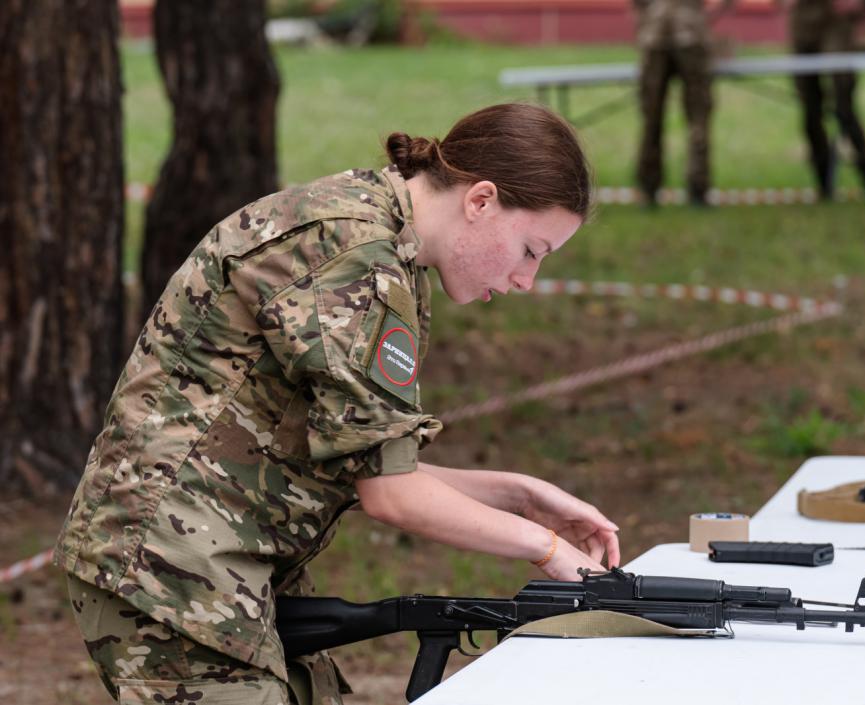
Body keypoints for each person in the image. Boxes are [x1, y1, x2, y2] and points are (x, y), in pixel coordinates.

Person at [54, 103, 621, 705]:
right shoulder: (358, 261)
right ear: (480, 200)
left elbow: (362, 462)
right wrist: (548, 550)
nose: (524, 281)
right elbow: (392, 495)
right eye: (531, 251)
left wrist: (519, 495)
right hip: (172, 571)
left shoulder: (380, 241)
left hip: (215, 559)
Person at [632, 0, 733, 207]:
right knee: (695, 118)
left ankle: (650, 189)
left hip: (657, 34)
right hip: (689, 33)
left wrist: (647, 18)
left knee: (653, 119)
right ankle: (696, 189)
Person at [787, 0, 865, 200]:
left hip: (836, 18)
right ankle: (824, 185)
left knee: (844, 108)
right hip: (802, 18)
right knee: (810, 112)